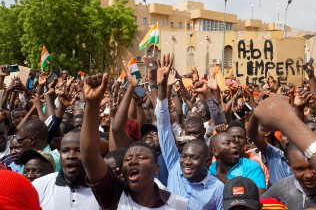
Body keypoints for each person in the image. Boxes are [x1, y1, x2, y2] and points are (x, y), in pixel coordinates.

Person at [80, 72, 188, 209]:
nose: (133, 161)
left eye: (142, 157)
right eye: (128, 159)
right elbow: (89, 158)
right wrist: (92, 104)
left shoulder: (178, 204)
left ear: (156, 169)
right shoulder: (115, 195)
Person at [156, 54, 224, 209]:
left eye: (194, 158)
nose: (186, 162)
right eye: (184, 156)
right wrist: (162, 87)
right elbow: (163, 125)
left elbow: (221, 129)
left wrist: (210, 95)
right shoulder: (174, 165)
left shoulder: (218, 188)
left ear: (207, 161)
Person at [32, 129, 98, 210]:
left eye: (78, 150)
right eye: (65, 151)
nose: (71, 156)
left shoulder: (105, 187)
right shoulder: (39, 185)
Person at [261, 143, 316, 209]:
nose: (308, 175)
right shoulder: (283, 186)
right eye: (300, 169)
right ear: (289, 165)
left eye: (313, 167)